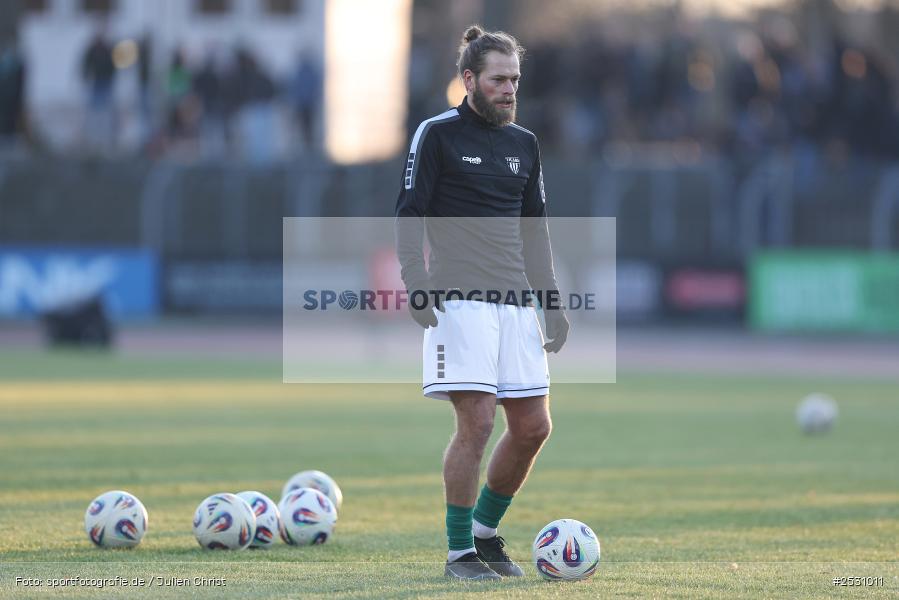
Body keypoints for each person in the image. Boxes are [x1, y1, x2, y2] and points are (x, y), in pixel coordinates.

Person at [395, 25, 569, 581]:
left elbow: (534, 233)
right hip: (459, 301)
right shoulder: (436, 134)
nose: (509, 89)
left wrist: (552, 303)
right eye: (498, 79)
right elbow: (408, 211)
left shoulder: (525, 144)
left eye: (515, 80)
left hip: (516, 305)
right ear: (468, 79)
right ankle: (458, 554)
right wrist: (414, 280)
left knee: (534, 427)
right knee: (476, 422)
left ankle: (486, 535)